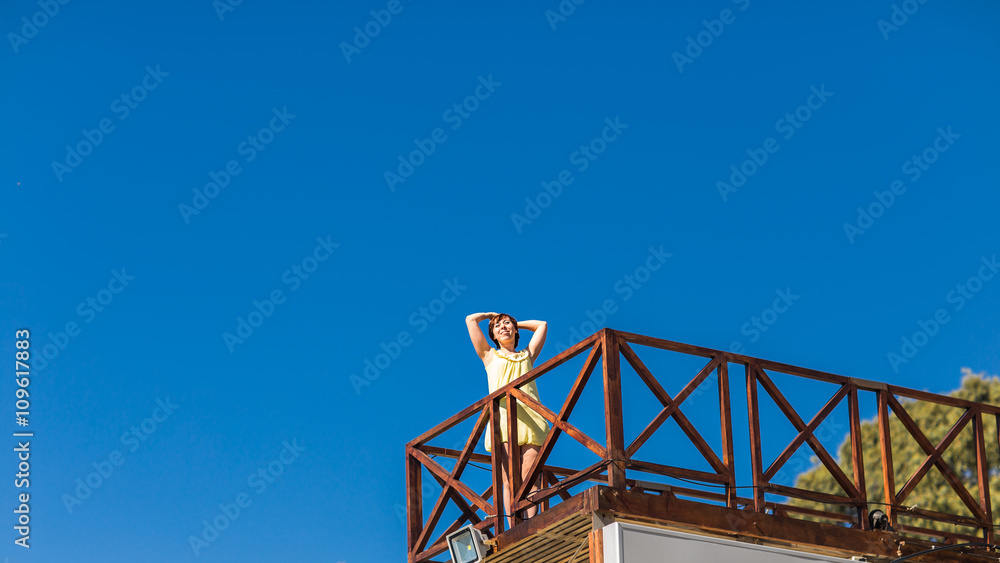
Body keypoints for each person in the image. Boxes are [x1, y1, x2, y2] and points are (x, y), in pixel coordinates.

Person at [465, 312, 549, 527]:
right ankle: (514, 528)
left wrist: (513, 322)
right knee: (510, 480)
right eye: (498, 326)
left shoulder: (526, 355)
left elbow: (542, 324)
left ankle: (532, 525)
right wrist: (490, 317)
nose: (504, 327)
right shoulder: (489, 356)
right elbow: (470, 320)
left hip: (532, 420)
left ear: (516, 330)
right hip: (503, 422)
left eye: (507, 324)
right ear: (492, 334)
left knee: (530, 479)